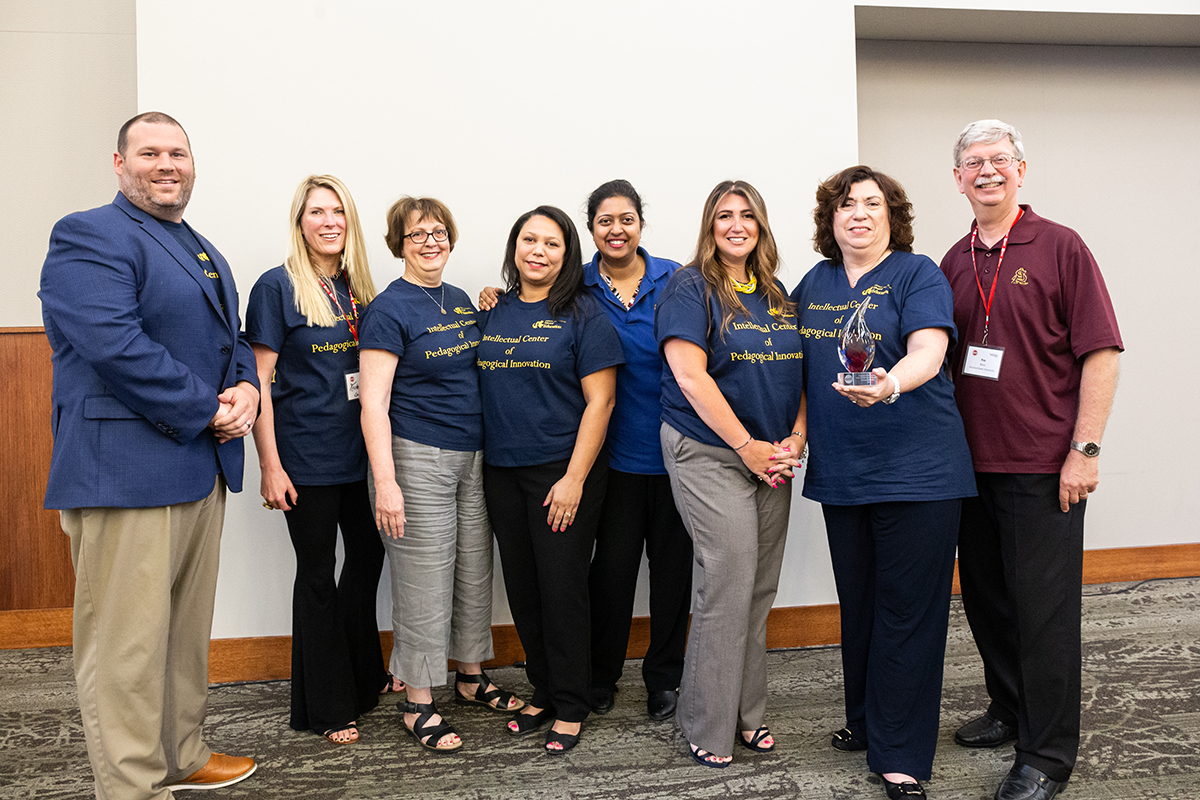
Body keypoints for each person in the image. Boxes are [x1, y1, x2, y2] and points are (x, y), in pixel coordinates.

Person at [38, 111, 259, 798]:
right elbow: (114, 345)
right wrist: (209, 410)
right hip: (126, 471)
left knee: (183, 638)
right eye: (151, 153)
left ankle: (180, 753)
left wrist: (248, 386)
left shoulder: (200, 246)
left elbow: (234, 339)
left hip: (197, 468)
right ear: (119, 163)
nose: (168, 165)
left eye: (179, 153)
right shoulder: (88, 234)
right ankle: (132, 784)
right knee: (125, 650)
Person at [941, 120, 1122, 800]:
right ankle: (1009, 709)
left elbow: (1101, 351)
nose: (986, 171)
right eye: (971, 163)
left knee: (1044, 614)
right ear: (957, 179)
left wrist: (1085, 449)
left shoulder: (1061, 246)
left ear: (1022, 170)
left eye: (998, 160)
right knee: (990, 604)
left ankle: (1046, 756)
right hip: (966, 467)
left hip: (1045, 466)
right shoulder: (953, 260)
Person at [794, 166, 977, 800]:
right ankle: (868, 720)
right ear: (831, 219)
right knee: (863, 605)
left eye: (872, 204)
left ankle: (901, 756)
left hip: (920, 473)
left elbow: (930, 350)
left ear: (891, 216)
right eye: (846, 205)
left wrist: (890, 383)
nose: (859, 214)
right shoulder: (812, 285)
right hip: (844, 473)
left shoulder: (918, 273)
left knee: (908, 613)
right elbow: (798, 373)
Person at [359, 196, 524, 753]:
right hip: (416, 457)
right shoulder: (388, 309)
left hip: (473, 457)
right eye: (417, 235)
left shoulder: (458, 299)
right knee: (424, 580)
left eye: (439, 233)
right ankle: (418, 700)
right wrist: (386, 482)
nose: (431, 242)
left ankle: (471, 677)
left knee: (475, 570)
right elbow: (373, 403)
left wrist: (496, 306)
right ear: (398, 245)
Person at [655, 180, 804, 768]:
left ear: (761, 225)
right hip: (710, 452)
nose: (736, 225)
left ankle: (747, 714)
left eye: (748, 215)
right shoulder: (690, 287)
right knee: (728, 579)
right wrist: (745, 446)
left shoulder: (776, 291)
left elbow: (803, 371)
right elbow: (690, 376)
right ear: (709, 225)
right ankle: (706, 724)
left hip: (771, 455)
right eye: (724, 215)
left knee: (760, 588)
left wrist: (796, 436)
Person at [246, 175, 397, 746]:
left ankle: (363, 675)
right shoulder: (276, 287)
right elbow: (258, 379)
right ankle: (327, 706)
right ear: (300, 221)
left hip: (361, 455)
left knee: (365, 561)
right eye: (317, 212)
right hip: (305, 456)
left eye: (338, 211)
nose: (329, 221)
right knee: (316, 577)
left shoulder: (358, 287)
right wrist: (270, 465)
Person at [478, 206, 623, 754]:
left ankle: (572, 702)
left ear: (568, 255)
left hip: (563, 472)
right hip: (501, 471)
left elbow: (601, 401)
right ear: (515, 247)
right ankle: (544, 687)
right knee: (523, 586)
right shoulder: (492, 310)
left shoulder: (584, 315)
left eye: (552, 243)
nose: (538, 251)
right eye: (528, 240)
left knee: (562, 588)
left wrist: (573, 478)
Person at [579, 181, 694, 722]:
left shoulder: (678, 279)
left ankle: (664, 677)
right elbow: (527, 309)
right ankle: (602, 674)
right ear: (592, 228)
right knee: (613, 572)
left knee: (673, 573)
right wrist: (493, 298)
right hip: (614, 457)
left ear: (641, 224)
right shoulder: (573, 286)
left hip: (679, 452)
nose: (616, 230)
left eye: (626, 219)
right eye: (605, 221)